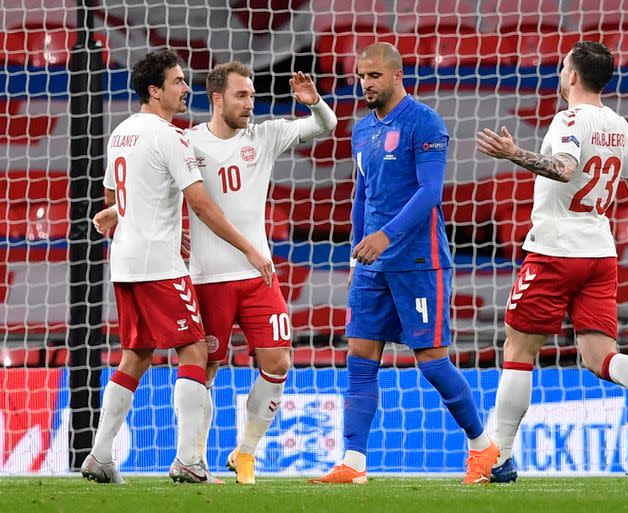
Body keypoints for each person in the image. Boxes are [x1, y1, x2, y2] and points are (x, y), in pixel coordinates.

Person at [475, 41, 628, 483]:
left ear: (573, 77)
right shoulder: (619, 125)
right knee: (601, 356)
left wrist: (513, 155)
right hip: (599, 255)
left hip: (554, 251)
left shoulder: (570, 120)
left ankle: (498, 458)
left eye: (563, 68)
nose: (561, 75)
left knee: (520, 351)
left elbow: (563, 169)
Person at [310, 42, 499, 485]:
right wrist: (358, 248)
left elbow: (430, 191)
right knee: (359, 357)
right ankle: (354, 462)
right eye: (361, 76)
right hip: (372, 265)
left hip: (418, 261)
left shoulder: (424, 121)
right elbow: (362, 195)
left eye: (374, 76)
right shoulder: (361, 129)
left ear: (397, 75)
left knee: (432, 361)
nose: (366, 83)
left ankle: (482, 446)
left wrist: (385, 235)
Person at [81, 49, 272, 484]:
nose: (186, 89)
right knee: (196, 350)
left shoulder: (121, 133)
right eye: (178, 82)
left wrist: (125, 217)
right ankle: (188, 460)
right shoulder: (172, 136)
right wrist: (249, 249)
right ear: (155, 90)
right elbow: (202, 205)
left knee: (136, 355)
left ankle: (99, 455)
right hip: (158, 265)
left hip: (125, 262)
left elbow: (117, 200)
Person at [189, 62, 336, 484]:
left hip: (258, 275)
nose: (249, 104)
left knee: (277, 361)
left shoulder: (265, 135)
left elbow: (326, 126)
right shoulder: (188, 143)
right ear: (217, 98)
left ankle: (246, 453)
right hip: (207, 278)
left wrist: (315, 102)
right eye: (241, 96)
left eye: (252, 96)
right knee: (207, 369)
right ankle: (195, 458)